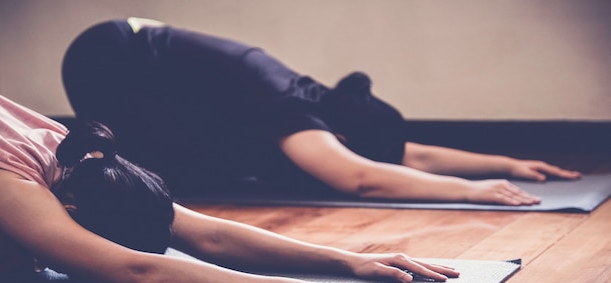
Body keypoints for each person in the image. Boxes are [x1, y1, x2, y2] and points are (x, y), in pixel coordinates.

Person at [0, 86, 460, 283]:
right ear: (68, 212)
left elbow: (204, 233)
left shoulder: (83, 155)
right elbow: (137, 274)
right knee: (12, 268)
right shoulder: (18, 181)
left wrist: (347, 261)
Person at [61, 18, 580, 205]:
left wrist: (506, 165)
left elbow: (408, 156)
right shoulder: (291, 110)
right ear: (340, 131)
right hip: (109, 58)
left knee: (243, 164)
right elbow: (362, 179)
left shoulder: (323, 104)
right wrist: (474, 192)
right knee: (170, 178)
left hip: (148, 54)